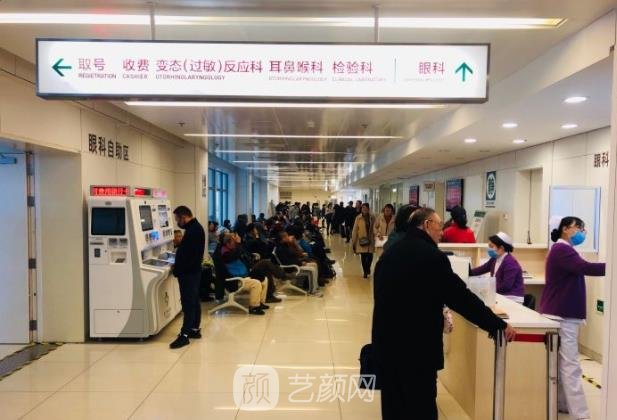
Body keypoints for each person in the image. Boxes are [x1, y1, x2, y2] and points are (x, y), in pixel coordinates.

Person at [373, 207, 516, 419]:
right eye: (439, 226)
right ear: (427, 224)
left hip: (388, 348)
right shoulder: (432, 257)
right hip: (418, 350)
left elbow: (380, 301)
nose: (442, 233)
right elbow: (461, 298)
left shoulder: (389, 254)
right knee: (421, 408)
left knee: (394, 408)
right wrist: (496, 324)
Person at [539, 216, 605, 419]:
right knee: (571, 367)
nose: (583, 232)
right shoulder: (562, 249)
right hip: (562, 315)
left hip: (561, 313)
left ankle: (563, 404)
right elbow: (587, 268)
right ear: (565, 229)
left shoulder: (563, 249)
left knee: (562, 365)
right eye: (579, 227)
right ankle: (580, 415)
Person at [170, 206, 206, 349]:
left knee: (188, 303)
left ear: (184, 217)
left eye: (177, 220)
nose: (177, 223)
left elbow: (189, 257)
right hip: (192, 272)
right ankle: (194, 329)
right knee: (194, 301)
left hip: (189, 274)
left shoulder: (193, 231)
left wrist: (178, 269)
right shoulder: (195, 228)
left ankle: (184, 335)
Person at [219, 233, 269, 314]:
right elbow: (235, 255)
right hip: (235, 280)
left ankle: (260, 302)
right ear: (227, 243)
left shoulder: (232, 249)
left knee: (264, 279)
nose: (235, 244)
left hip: (244, 276)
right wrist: (238, 243)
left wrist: (239, 244)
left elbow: (242, 252)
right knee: (256, 283)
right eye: (233, 242)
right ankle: (254, 307)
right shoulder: (225, 253)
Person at [470, 232, 525, 303]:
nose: (489, 249)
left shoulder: (510, 263)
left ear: (501, 248)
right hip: (500, 296)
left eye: (491, 246)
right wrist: (466, 271)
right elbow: (481, 269)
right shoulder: (495, 259)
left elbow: (506, 286)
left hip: (512, 298)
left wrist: (487, 288)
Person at [275, 230, 322, 296]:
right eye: (287, 236)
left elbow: (293, 255)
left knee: (314, 264)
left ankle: (315, 286)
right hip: (292, 269)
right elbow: (287, 262)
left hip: (295, 264)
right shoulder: (280, 249)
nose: (289, 237)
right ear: (283, 238)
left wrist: (300, 261)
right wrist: (300, 263)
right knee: (312, 270)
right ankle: (312, 292)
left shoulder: (285, 245)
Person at [351, 203, 376, 278]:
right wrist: (354, 241)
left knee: (370, 256)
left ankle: (368, 268)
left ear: (368, 209)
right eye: (363, 208)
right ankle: (365, 271)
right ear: (361, 209)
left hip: (371, 239)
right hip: (362, 240)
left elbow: (375, 227)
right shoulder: (358, 218)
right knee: (363, 256)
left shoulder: (372, 217)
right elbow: (355, 230)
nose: (364, 209)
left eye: (366, 208)